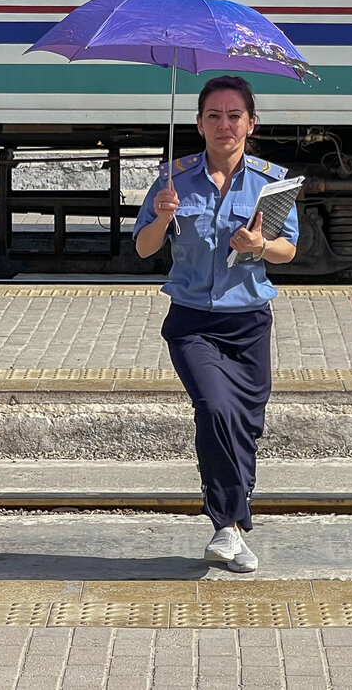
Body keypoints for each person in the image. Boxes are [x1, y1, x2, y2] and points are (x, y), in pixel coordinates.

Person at [133, 75, 299, 573]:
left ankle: (231, 519)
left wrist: (259, 247)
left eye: (234, 116)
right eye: (213, 116)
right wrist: (161, 217)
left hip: (249, 322)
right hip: (192, 324)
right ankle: (228, 526)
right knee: (216, 409)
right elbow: (143, 248)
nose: (224, 125)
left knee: (246, 423)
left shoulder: (272, 181)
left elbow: (289, 250)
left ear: (251, 123)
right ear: (199, 123)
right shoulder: (173, 180)